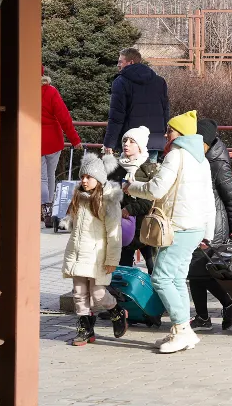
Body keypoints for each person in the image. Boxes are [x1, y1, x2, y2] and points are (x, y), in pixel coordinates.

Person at [125, 110, 214, 353]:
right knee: (175, 278)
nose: (166, 134)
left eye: (170, 130)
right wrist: (209, 232)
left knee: (161, 278)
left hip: (178, 227)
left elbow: (156, 189)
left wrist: (131, 187)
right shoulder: (201, 159)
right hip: (194, 228)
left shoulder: (176, 156)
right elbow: (209, 199)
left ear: (181, 133)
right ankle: (182, 330)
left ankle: (182, 329)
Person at [60, 153, 128, 346]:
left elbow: (114, 233)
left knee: (98, 294)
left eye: (89, 177)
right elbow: (74, 225)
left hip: (98, 255)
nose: (84, 180)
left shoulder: (108, 201)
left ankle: (116, 310)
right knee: (79, 293)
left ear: (99, 179)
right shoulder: (78, 197)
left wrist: (112, 260)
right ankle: (85, 328)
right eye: (82, 176)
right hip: (77, 253)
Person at [187, 119, 232, 332]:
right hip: (198, 220)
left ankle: (228, 302)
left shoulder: (217, 162)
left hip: (214, 224)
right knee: (195, 273)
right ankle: (203, 317)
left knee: (200, 271)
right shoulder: (198, 157)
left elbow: (231, 196)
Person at [104, 126, 157, 274]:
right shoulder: (116, 168)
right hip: (123, 228)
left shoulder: (150, 169)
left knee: (155, 270)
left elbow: (152, 198)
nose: (126, 144)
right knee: (122, 271)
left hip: (146, 227)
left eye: (131, 141)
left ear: (140, 146)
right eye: (124, 140)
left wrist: (130, 209)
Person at [103, 47, 170, 159]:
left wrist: (110, 142)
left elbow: (117, 116)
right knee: (150, 173)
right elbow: (165, 111)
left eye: (120, 62)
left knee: (130, 174)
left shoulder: (121, 82)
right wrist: (164, 133)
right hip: (154, 140)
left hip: (131, 141)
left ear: (131, 62)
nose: (118, 65)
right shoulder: (159, 81)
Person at [41, 67, 82, 225]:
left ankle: (45, 210)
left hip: (33, 140)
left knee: (41, 178)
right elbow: (64, 117)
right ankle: (50, 210)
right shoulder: (51, 91)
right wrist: (75, 139)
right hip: (53, 141)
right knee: (50, 175)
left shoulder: (23, 91)